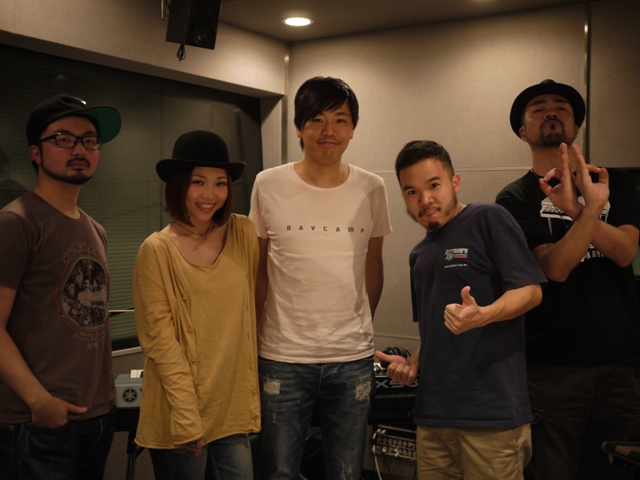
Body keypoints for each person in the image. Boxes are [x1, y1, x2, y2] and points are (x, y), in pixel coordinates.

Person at [496, 80, 640, 480]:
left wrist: (578, 209)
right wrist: (589, 211)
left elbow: (625, 251)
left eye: (561, 106)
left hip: (622, 362)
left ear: (576, 127)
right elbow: (554, 267)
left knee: (620, 470)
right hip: (552, 366)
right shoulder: (515, 198)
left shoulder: (615, 183)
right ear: (522, 131)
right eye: (538, 108)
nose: (551, 111)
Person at [249, 76, 392, 479]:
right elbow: (257, 270)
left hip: (352, 358)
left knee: (346, 473)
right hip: (281, 357)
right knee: (278, 472)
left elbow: (373, 267)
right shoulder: (267, 183)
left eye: (340, 120)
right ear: (298, 127)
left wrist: (357, 326)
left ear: (353, 128)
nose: (329, 131)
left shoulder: (373, 187)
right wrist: (252, 339)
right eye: (316, 119)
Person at [376, 140, 546, 480]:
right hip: (433, 416)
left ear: (455, 182)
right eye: (412, 192)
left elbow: (531, 291)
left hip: (491, 414)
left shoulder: (488, 218)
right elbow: (437, 332)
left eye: (433, 185)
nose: (425, 199)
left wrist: (484, 314)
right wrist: (413, 363)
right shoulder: (419, 254)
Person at [0, 94, 121, 480]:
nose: (80, 149)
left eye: (89, 140)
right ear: (36, 153)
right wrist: (39, 401)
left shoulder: (95, 229)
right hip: (37, 422)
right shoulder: (16, 223)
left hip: (97, 416)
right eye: (64, 139)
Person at [133, 130, 260, 480]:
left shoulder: (243, 232)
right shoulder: (156, 250)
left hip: (231, 410)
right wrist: (187, 417)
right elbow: (159, 340)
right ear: (178, 185)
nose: (210, 195)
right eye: (198, 182)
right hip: (180, 414)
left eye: (220, 184)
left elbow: (250, 312)